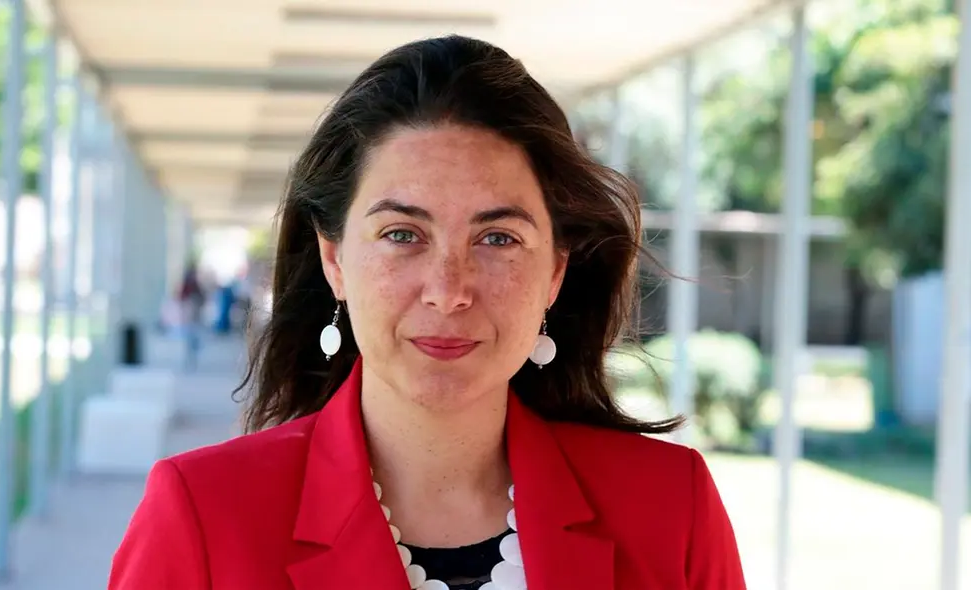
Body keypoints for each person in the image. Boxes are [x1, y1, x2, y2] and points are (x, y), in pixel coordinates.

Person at [108, 35, 746, 590]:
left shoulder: (672, 509)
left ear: (555, 271)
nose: (448, 290)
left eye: (497, 238)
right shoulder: (202, 516)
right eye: (402, 234)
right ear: (334, 259)